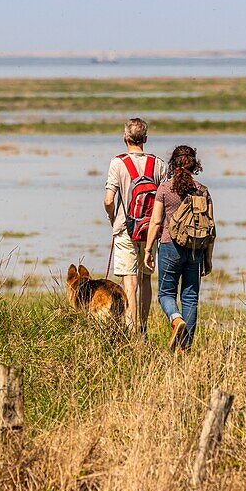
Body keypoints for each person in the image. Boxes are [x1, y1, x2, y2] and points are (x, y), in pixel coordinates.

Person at [143, 145, 215, 351]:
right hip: (196, 249)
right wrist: (208, 258)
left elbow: (156, 222)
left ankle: (175, 319)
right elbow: (211, 227)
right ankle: (185, 349)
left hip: (169, 246)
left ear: (173, 164)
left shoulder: (165, 189)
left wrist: (148, 250)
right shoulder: (202, 190)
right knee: (190, 298)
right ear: (195, 165)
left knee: (165, 294)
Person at [103, 118, 166, 333]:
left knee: (130, 281)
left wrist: (113, 219)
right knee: (146, 278)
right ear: (146, 139)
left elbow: (109, 200)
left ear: (124, 138)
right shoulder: (158, 164)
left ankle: (131, 328)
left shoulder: (117, 163)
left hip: (125, 228)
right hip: (150, 231)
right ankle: (143, 328)